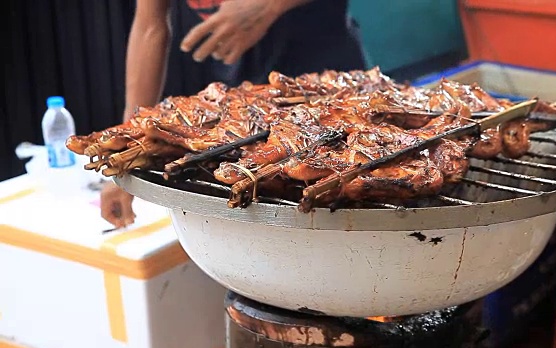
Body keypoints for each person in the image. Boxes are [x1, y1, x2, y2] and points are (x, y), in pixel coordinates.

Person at [100, 0, 368, 228]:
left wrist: (268, 5)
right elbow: (149, 26)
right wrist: (127, 150)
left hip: (324, 75)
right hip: (241, 93)